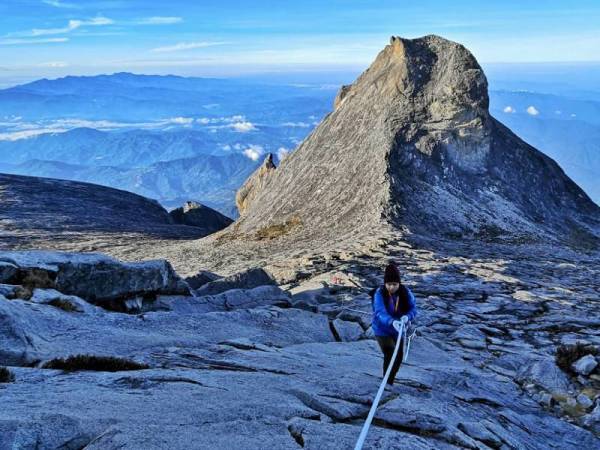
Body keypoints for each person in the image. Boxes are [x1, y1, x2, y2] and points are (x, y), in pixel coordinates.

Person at [371, 262, 417, 386]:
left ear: (399, 283)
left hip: (399, 330)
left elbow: (413, 309)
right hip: (382, 329)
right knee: (390, 352)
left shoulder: (406, 293)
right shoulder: (379, 294)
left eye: (394, 284)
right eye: (389, 284)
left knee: (399, 357)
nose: (391, 287)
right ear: (385, 283)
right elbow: (379, 312)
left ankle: (389, 380)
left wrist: (407, 317)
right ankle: (386, 383)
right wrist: (392, 322)